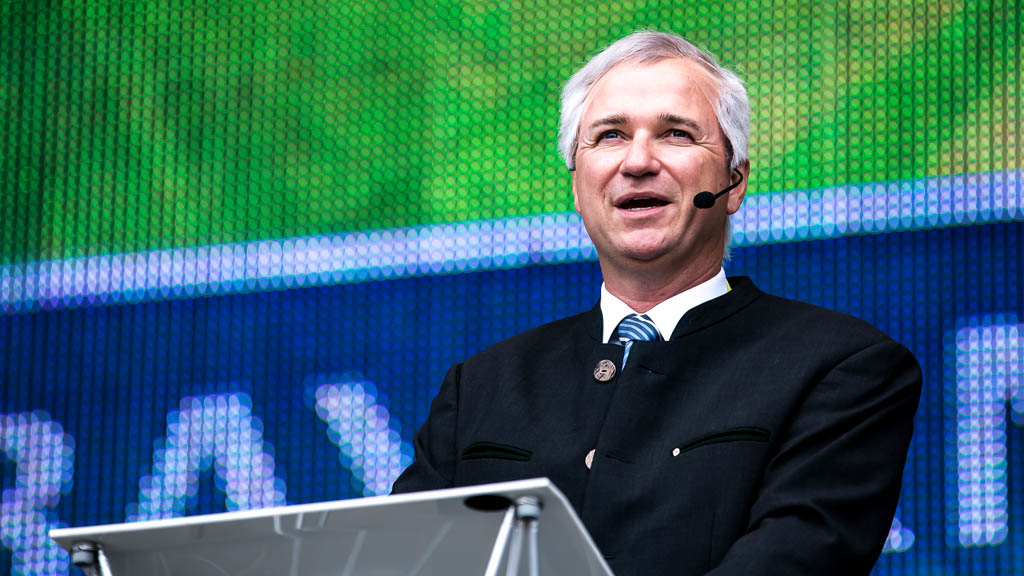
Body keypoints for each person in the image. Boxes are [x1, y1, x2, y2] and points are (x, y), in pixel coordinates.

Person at [391, 31, 921, 576]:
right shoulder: (480, 387)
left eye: (676, 134)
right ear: (578, 185)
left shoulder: (843, 367)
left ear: (733, 181)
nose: (638, 161)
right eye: (610, 135)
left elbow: (793, 560)